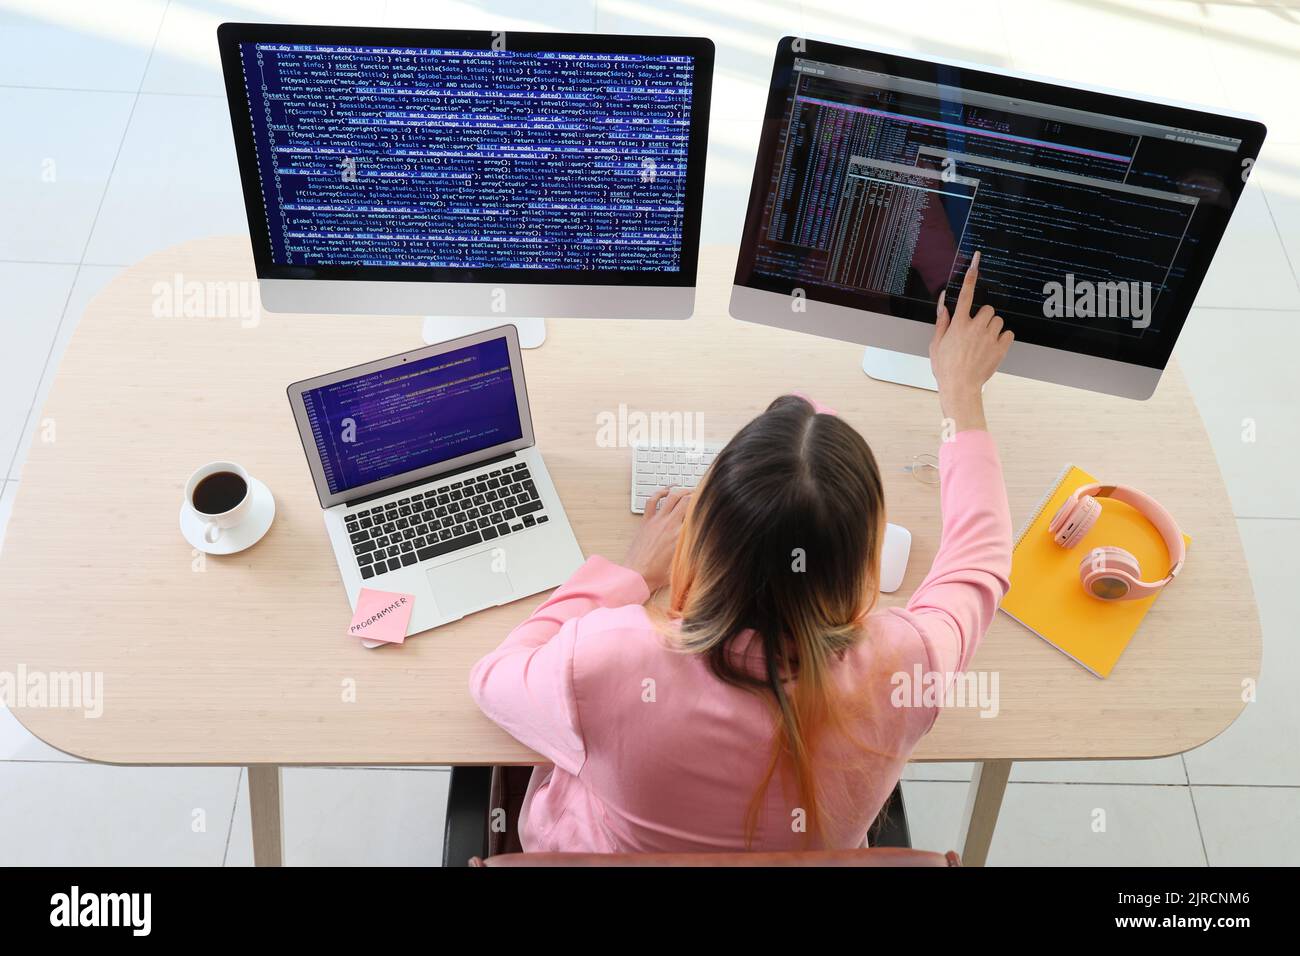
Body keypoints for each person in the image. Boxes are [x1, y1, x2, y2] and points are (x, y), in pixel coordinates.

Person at [470, 253, 1014, 852]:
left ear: (704, 537)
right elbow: (979, 561)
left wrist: (625, 575)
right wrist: (961, 395)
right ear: (863, 563)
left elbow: (492, 679)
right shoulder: (905, 667)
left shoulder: (608, 658)